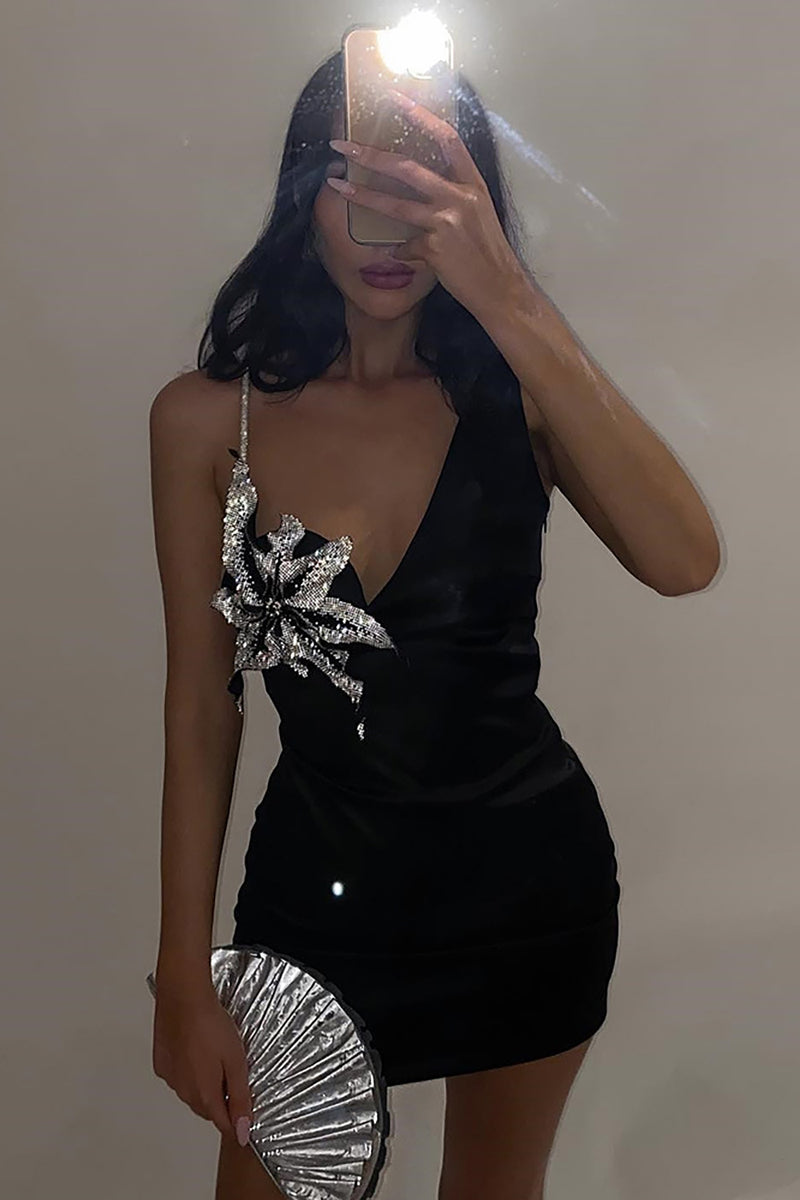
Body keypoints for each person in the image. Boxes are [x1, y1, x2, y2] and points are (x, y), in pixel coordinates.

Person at [148, 49, 720, 1200]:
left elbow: (682, 561)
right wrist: (182, 972)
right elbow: (202, 704)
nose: (391, 232)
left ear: (472, 210)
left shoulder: (518, 400)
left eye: (425, 195)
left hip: (527, 894)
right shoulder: (207, 420)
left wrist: (508, 298)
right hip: (312, 898)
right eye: (360, 188)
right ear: (302, 193)